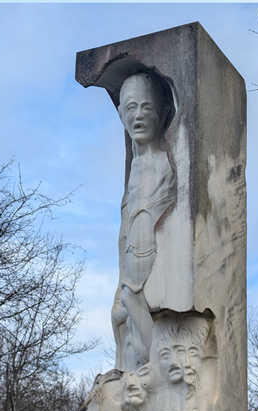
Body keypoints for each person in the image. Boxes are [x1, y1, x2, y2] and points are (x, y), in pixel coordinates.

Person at [111, 71, 176, 370]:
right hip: (130, 269)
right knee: (122, 322)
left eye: (146, 107)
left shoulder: (166, 164)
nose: (137, 115)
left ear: (162, 112)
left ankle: (158, 375)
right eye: (130, 107)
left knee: (150, 351)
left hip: (155, 268)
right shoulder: (132, 170)